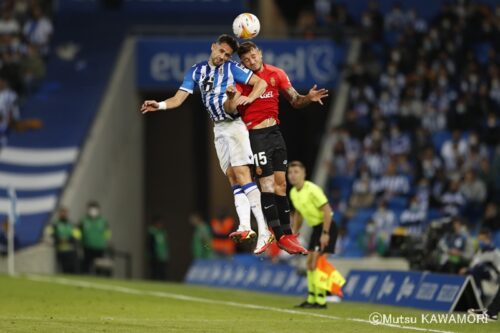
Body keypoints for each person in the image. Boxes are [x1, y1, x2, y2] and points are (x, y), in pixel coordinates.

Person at [141, 34, 276, 254]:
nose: (223, 56)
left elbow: (259, 82)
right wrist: (160, 105)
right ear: (213, 48)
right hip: (219, 128)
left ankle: (263, 230)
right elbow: (178, 98)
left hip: (235, 125)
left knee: (243, 175)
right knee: (233, 176)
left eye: (227, 54)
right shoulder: (196, 71)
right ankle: (244, 225)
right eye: (221, 51)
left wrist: (249, 99)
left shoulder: (233, 69)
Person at [224, 41, 328, 254]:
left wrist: (308, 98)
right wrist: (232, 98)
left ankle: (287, 235)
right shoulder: (242, 80)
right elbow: (230, 110)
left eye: (253, 56)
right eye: (245, 60)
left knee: (281, 184)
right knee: (267, 185)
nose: (251, 61)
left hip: (275, 134)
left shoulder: (276, 74)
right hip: (256, 136)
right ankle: (277, 233)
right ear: (242, 63)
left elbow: (295, 100)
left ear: (259, 53)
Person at [287, 161, 338, 309]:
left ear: (304, 174)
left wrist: (325, 233)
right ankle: (312, 298)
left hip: (327, 227)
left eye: (296, 172)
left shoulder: (312, 189)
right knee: (310, 264)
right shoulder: (293, 193)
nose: (292, 175)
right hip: (316, 229)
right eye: (290, 172)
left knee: (317, 262)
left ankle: (320, 301)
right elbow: (298, 214)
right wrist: (294, 233)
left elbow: (327, 211)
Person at [459, 228, 500, 301]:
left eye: (483, 240)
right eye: (479, 240)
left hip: (492, 279)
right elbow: (472, 266)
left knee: (480, 267)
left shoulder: (495, 253)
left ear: (488, 239)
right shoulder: (479, 252)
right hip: (477, 277)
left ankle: (478, 293)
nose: (480, 242)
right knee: (470, 270)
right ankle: (468, 295)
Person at [79, 201, 111, 274]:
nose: (93, 211)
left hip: (100, 246)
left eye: (94, 208)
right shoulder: (84, 220)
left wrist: (106, 240)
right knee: (87, 263)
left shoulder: (103, 220)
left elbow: (107, 232)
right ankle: (85, 275)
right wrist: (79, 239)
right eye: (91, 208)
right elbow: (78, 231)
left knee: (99, 264)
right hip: (87, 245)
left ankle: (99, 276)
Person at [47, 207, 81, 274]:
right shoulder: (54, 224)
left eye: (65, 212)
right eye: (62, 212)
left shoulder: (72, 224)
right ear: (59, 214)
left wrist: (67, 240)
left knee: (73, 268)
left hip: (71, 250)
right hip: (60, 250)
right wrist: (58, 239)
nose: (63, 214)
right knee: (63, 269)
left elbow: (77, 235)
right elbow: (50, 233)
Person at [148, 216, 169, 280]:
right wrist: (153, 254)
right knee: (155, 270)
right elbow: (150, 244)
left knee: (162, 271)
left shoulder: (163, 232)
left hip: (162, 255)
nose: (160, 225)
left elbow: (165, 244)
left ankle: (163, 282)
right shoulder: (152, 232)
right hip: (155, 255)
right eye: (159, 223)